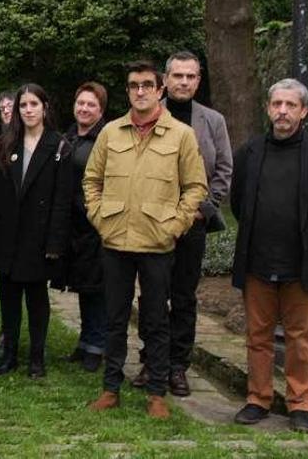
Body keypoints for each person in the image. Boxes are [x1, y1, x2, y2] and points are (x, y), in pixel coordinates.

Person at [85, 60, 207, 419]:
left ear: (160, 90)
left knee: (156, 320)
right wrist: (100, 218)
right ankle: (110, 389)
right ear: (128, 91)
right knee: (114, 318)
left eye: (147, 85)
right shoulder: (110, 132)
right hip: (116, 242)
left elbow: (196, 186)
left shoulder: (181, 134)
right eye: (134, 85)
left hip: (158, 243)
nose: (140, 91)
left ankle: (156, 393)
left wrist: (176, 224)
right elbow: (92, 181)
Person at [230, 78, 308, 433]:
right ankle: (258, 398)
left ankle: (299, 403)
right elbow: (238, 203)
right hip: (258, 260)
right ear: (268, 108)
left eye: (291, 105)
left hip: (302, 263)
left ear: (304, 111)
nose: (283, 112)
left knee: (299, 337)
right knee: (257, 336)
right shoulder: (251, 152)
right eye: (277, 104)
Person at [133, 51, 234, 395]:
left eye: (191, 77)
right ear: (165, 80)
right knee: (152, 294)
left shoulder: (212, 121)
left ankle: (177, 366)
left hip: (193, 223)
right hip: (152, 222)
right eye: (178, 76)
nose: (184, 82)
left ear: (198, 81)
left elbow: (223, 170)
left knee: (184, 296)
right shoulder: (147, 116)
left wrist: (204, 210)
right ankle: (151, 361)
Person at [0, 83, 71, 380]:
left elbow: (62, 200)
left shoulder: (58, 146)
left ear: (45, 107)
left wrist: (55, 243)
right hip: (8, 235)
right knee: (8, 298)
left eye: (34, 104)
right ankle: (8, 354)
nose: (28, 110)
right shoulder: (6, 144)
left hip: (39, 236)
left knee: (36, 299)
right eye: (23, 105)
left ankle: (36, 356)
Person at [62, 82, 109, 373]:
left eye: (91, 105)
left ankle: (97, 345)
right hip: (73, 224)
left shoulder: (105, 138)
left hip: (96, 223)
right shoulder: (69, 136)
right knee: (83, 285)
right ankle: (85, 341)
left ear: (100, 109)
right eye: (81, 103)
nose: (84, 108)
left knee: (97, 288)